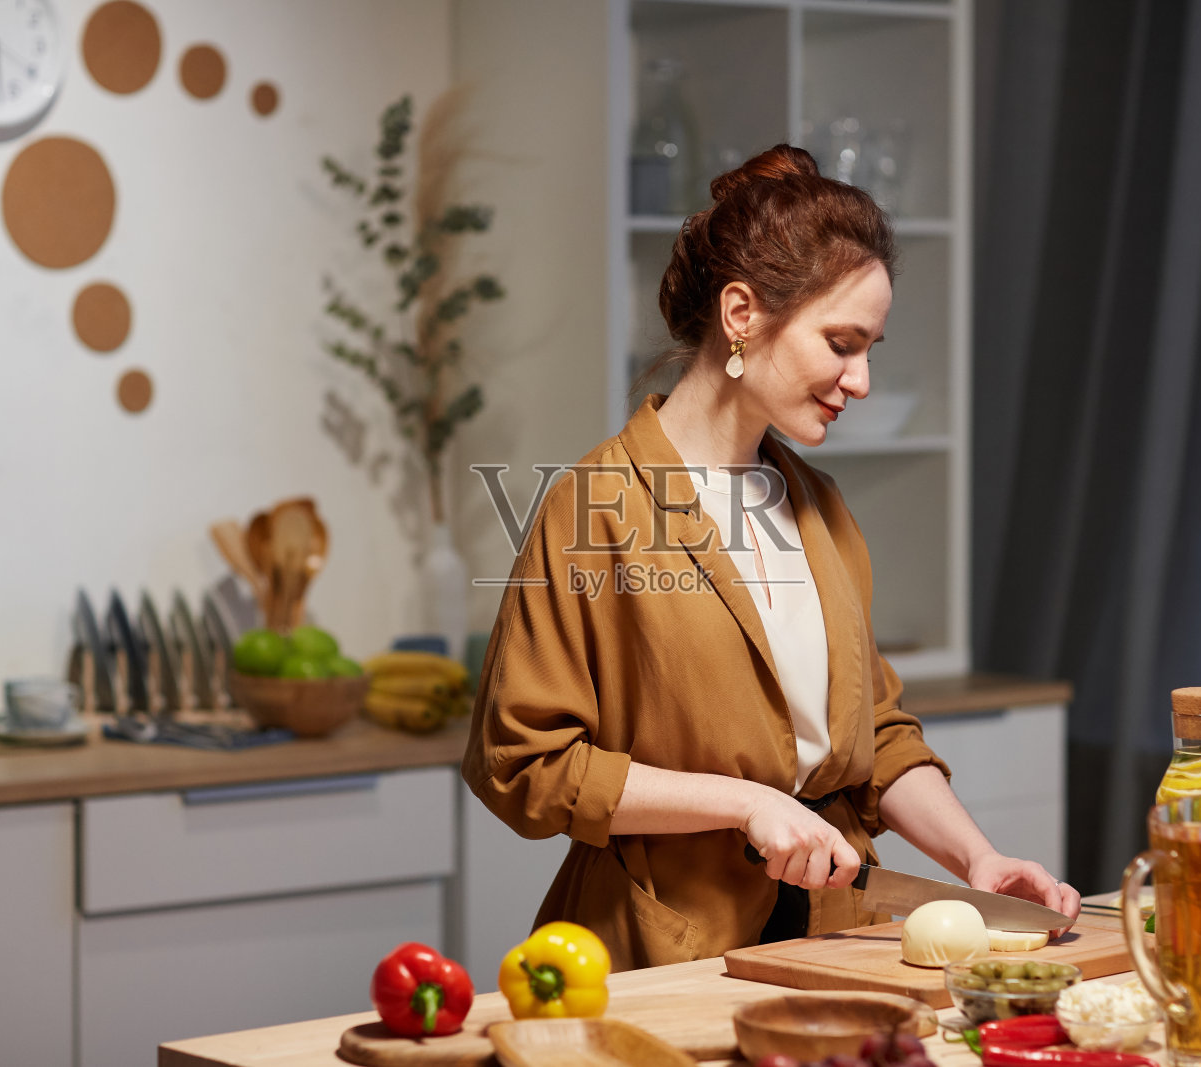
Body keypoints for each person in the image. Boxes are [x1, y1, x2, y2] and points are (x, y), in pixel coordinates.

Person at [463, 144, 1081, 972]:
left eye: (871, 349)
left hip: (836, 941)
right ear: (743, 313)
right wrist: (743, 803)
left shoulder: (818, 504)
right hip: (664, 955)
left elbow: (879, 738)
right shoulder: (594, 506)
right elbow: (525, 766)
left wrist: (975, 859)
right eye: (841, 343)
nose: (860, 379)